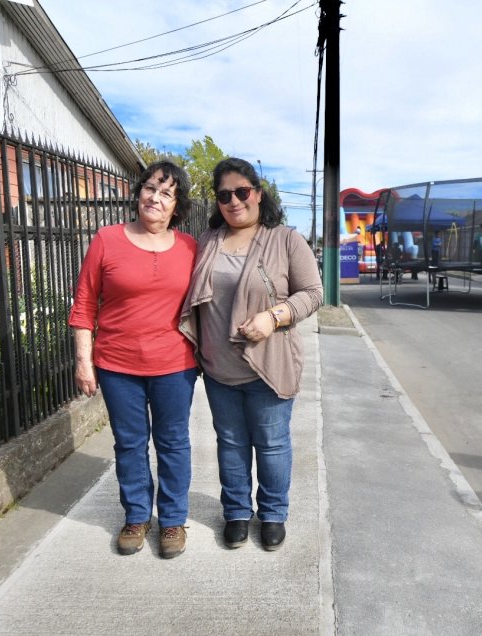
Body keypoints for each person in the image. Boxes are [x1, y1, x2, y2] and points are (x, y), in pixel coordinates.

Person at [180, 157, 323, 552]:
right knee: (230, 443)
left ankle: (274, 513)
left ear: (258, 194)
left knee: (272, 443)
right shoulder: (209, 241)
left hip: (268, 364)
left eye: (242, 191)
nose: (234, 201)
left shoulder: (285, 239)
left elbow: (313, 294)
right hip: (218, 368)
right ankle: (237, 512)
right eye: (224, 195)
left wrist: (274, 317)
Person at [68, 160, 198, 559]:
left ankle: (173, 520)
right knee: (129, 443)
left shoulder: (191, 248)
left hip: (175, 363)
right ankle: (137, 516)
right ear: (137, 192)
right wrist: (83, 360)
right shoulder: (107, 239)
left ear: (177, 206)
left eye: (165, 193)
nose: (154, 198)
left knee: (173, 442)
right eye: (149, 188)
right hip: (118, 363)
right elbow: (85, 302)